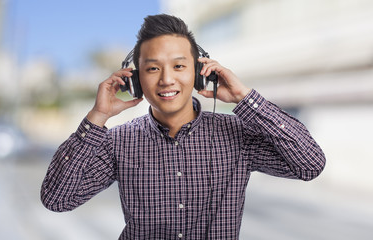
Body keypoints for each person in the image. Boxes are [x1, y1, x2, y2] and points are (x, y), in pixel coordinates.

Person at [41, 14, 326, 239]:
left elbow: (310, 165)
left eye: (179, 66)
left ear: (201, 73)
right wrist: (97, 117)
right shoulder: (118, 142)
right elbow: (57, 199)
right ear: (135, 80)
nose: (166, 79)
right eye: (153, 68)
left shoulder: (238, 135)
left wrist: (245, 98)